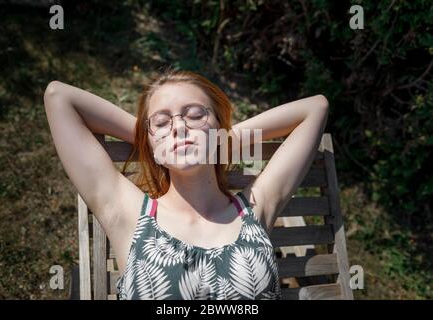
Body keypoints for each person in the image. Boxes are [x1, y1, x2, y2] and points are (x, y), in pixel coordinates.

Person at [43, 69, 329, 300]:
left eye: (195, 116)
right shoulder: (127, 213)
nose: (179, 127)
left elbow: (315, 107)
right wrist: (152, 140)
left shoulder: (256, 206)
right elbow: (58, 97)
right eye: (163, 121)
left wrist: (220, 142)